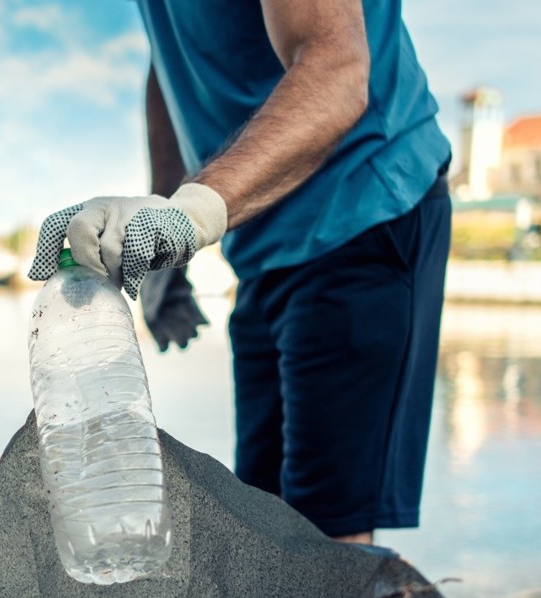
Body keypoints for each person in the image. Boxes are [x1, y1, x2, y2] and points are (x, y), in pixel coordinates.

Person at [28, 0, 451, 545]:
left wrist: (192, 212)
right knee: (262, 518)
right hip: (259, 239)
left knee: (326, 533)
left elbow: (336, 68)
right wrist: (163, 217)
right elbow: (172, 64)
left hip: (362, 204)